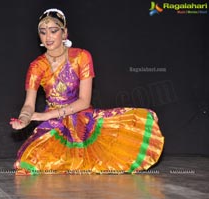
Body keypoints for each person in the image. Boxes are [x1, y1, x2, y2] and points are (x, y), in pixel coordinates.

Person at [10, 8, 164, 175]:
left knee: (110, 151)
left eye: (53, 31)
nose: (48, 37)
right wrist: (24, 119)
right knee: (27, 163)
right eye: (43, 32)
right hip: (54, 122)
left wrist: (45, 116)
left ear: (64, 33)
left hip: (80, 117)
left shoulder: (82, 57)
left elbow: (84, 101)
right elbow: (28, 105)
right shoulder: (36, 66)